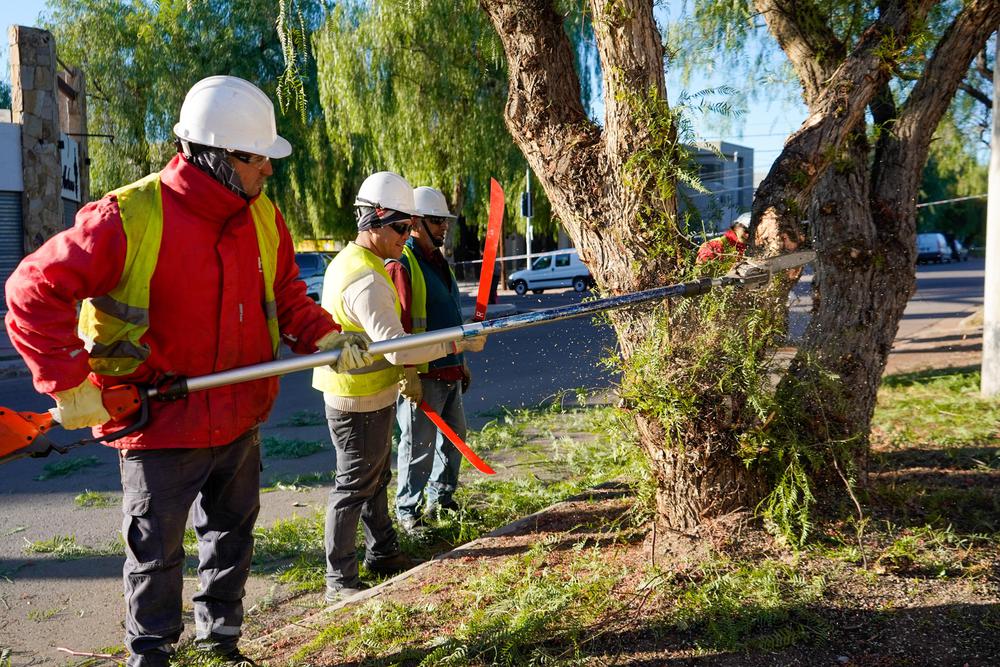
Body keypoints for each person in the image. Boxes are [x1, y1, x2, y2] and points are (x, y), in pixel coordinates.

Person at [4, 75, 371, 667]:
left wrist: (326, 333)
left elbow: (286, 294)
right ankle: (150, 656)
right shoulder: (129, 216)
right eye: (258, 160)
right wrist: (69, 383)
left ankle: (221, 645)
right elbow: (30, 291)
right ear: (219, 157)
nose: (268, 172)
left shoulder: (263, 218)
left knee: (231, 539)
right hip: (159, 427)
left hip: (239, 418)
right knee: (156, 555)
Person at [312, 171, 486, 603]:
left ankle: (384, 553)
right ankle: (340, 580)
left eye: (410, 226)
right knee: (354, 486)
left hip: (369, 394)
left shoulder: (362, 262)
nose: (406, 236)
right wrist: (456, 342)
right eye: (400, 227)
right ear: (374, 220)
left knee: (374, 480)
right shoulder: (367, 277)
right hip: (357, 398)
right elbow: (398, 349)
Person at [385, 187, 479, 533]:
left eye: (444, 221)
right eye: (437, 221)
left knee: (456, 438)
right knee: (418, 448)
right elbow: (401, 327)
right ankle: (408, 509)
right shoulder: (403, 264)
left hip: (449, 369)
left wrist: (462, 362)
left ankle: (442, 498)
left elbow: (449, 316)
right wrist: (406, 373)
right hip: (421, 376)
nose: (444, 228)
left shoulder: (440, 263)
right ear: (415, 223)